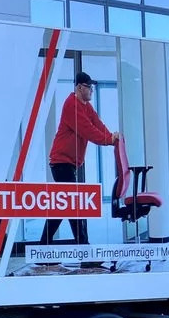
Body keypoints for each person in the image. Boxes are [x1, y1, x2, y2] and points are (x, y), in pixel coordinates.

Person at [40, 71, 119, 264]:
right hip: (61, 163)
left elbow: (97, 124)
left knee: (62, 208)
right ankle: (86, 254)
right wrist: (109, 141)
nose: (91, 90)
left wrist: (112, 137)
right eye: (89, 87)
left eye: (92, 87)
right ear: (79, 87)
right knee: (74, 207)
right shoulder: (71, 105)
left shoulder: (86, 106)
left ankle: (42, 251)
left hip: (69, 163)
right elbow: (88, 130)